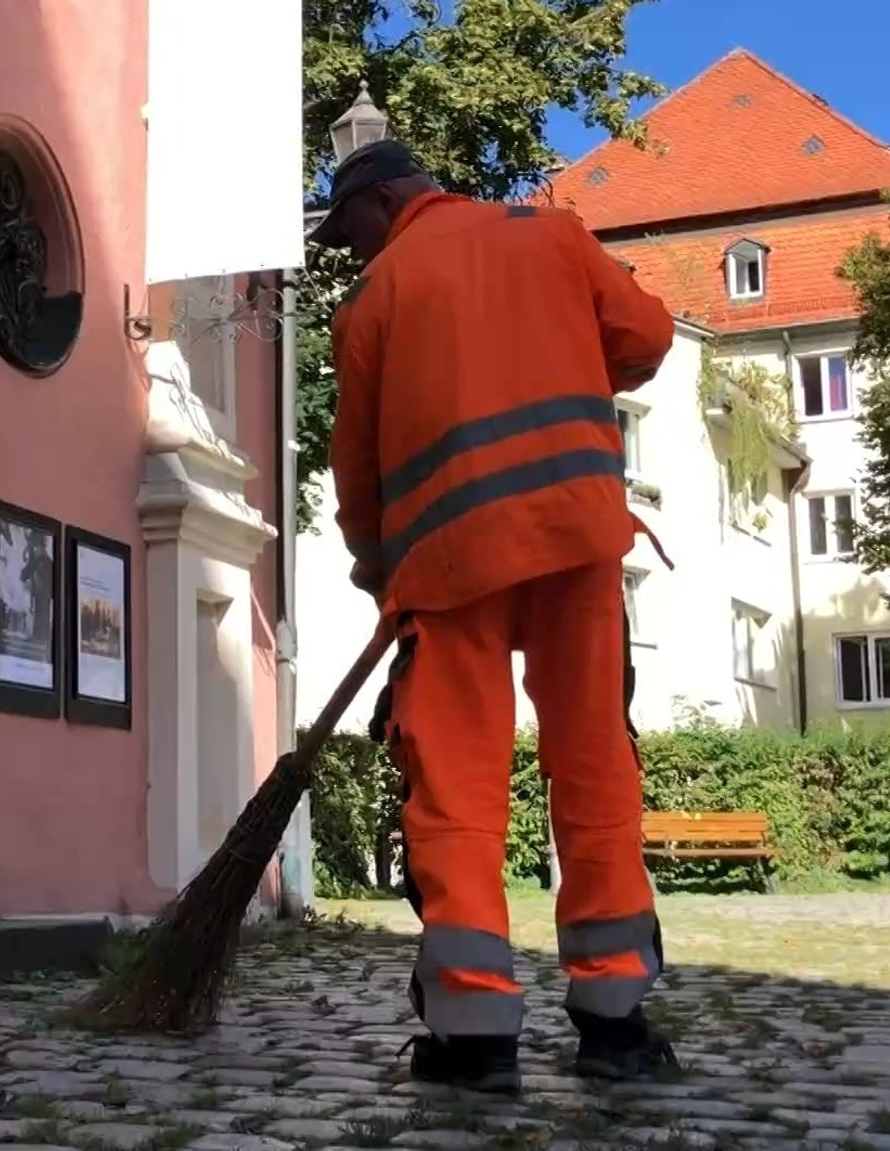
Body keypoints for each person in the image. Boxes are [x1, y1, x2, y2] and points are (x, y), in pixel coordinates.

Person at [310, 139, 679, 1092]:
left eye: (350, 228)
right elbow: (645, 335)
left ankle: (473, 1037)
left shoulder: (376, 300)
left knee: (455, 787)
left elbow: (357, 469)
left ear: (387, 197)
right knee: (594, 762)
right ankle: (615, 1024)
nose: (351, 252)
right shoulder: (552, 238)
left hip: (449, 562)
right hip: (575, 535)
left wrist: (374, 562)